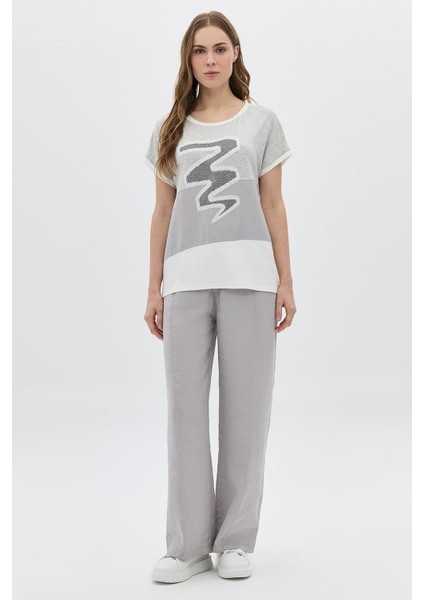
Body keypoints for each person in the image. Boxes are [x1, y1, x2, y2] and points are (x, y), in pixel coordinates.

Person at [143, 10, 297, 584]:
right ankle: (187, 546)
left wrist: (286, 281)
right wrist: (153, 287)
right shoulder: (170, 129)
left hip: (251, 278)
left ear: (235, 54)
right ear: (188, 59)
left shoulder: (262, 123)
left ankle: (235, 540)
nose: (210, 59)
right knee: (184, 412)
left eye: (219, 48)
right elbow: (162, 214)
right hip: (184, 281)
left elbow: (273, 204)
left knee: (246, 410)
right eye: (199, 50)